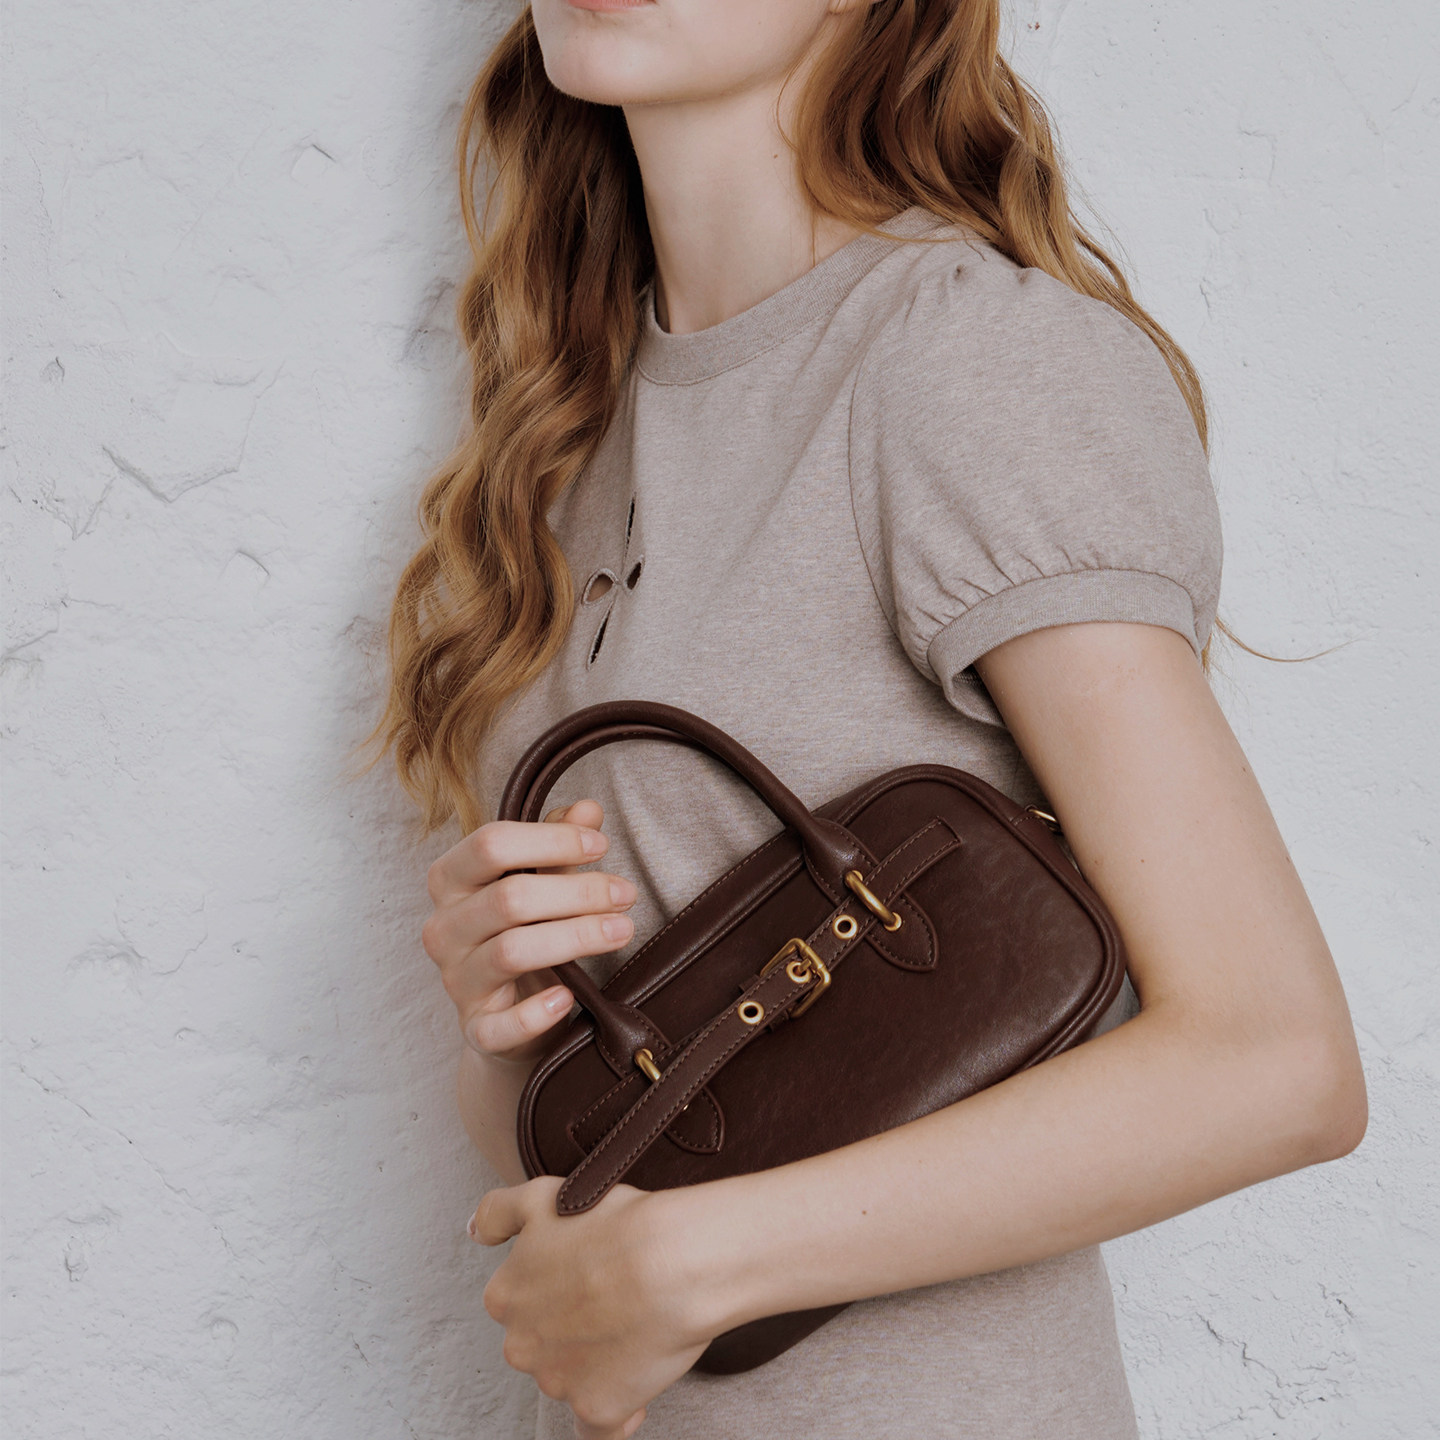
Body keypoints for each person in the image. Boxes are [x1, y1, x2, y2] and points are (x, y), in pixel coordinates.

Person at [372, 2, 1368, 1437]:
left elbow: (1274, 1063)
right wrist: (511, 1018)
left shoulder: (965, 360)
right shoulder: (571, 418)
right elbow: (626, 1142)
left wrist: (699, 1266)